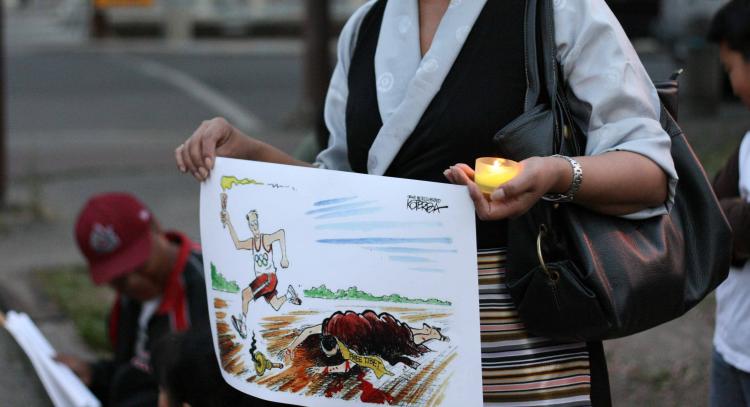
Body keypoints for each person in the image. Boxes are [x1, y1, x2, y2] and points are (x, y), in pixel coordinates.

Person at [175, 1, 677, 405]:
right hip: (388, 351)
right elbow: (341, 191)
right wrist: (250, 155)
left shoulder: (556, 9)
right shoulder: (366, 26)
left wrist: (555, 174)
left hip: (524, 342)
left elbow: (649, 171)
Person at [57, 193, 210, 406]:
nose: (135, 283)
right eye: (118, 279)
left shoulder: (207, 289)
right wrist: (94, 375)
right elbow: (135, 370)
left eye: (140, 265)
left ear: (155, 228)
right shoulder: (128, 302)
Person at [707, 2, 750, 406]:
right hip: (732, 342)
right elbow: (714, 206)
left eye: (731, 66)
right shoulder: (747, 144)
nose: (731, 83)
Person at [221, 204, 301, 340]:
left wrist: (284, 256)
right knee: (275, 304)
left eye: (255, 223)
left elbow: (281, 233)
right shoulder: (252, 243)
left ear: (258, 222)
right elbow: (238, 244)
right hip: (263, 281)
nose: (254, 227)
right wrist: (228, 222)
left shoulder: (266, 239)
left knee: (245, 295)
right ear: (249, 227)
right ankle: (289, 295)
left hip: (268, 278)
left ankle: (243, 325)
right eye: (251, 225)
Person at [282, 310, 448, 374]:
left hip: (375, 333)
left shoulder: (351, 345)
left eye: (331, 353)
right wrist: (290, 348)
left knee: (403, 341)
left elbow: (346, 366)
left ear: (336, 345)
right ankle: (428, 332)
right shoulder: (331, 326)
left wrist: (323, 369)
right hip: (374, 322)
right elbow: (308, 331)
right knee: (401, 331)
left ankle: (431, 334)